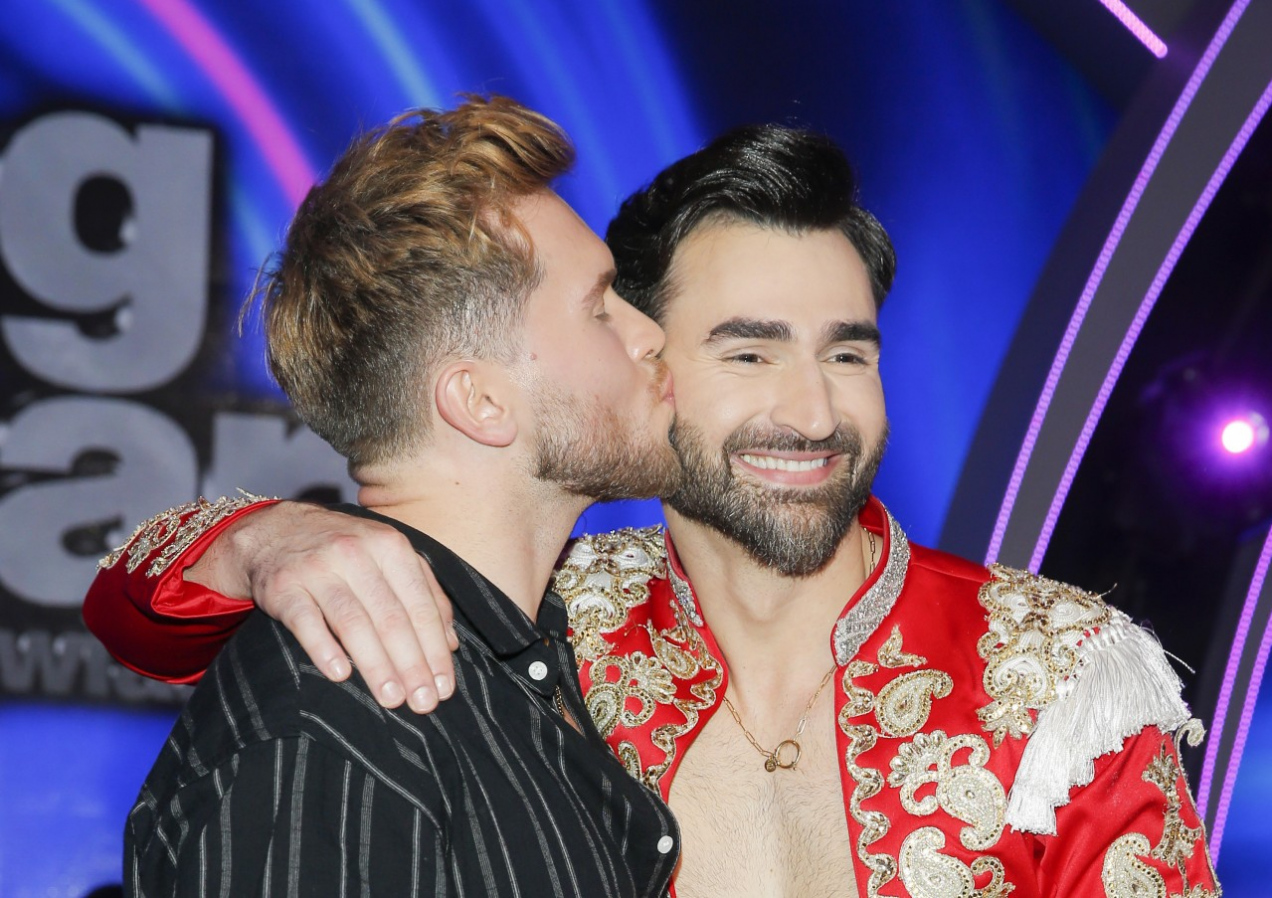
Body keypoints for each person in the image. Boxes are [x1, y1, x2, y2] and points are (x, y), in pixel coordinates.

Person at [87, 124, 1219, 897]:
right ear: (646, 359)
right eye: (749, 351)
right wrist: (266, 537)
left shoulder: (1054, 671)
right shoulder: (543, 621)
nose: (814, 412)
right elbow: (138, 618)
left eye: (849, 354)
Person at [108, 96, 683, 897]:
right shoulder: (337, 719)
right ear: (481, 401)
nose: (649, 334)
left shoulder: (519, 667)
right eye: (599, 308)